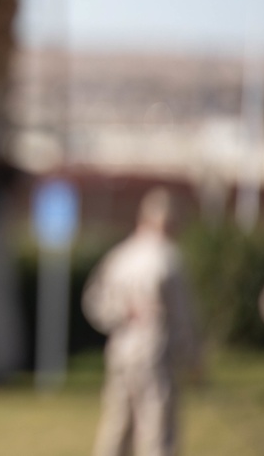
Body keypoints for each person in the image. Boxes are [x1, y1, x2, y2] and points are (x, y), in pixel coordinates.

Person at [82, 187, 202, 456]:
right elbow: (183, 317)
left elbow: (93, 302)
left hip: (121, 352)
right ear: (169, 221)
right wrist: (194, 359)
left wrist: (121, 315)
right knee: (158, 431)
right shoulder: (168, 259)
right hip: (155, 354)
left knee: (117, 425)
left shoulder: (121, 256)